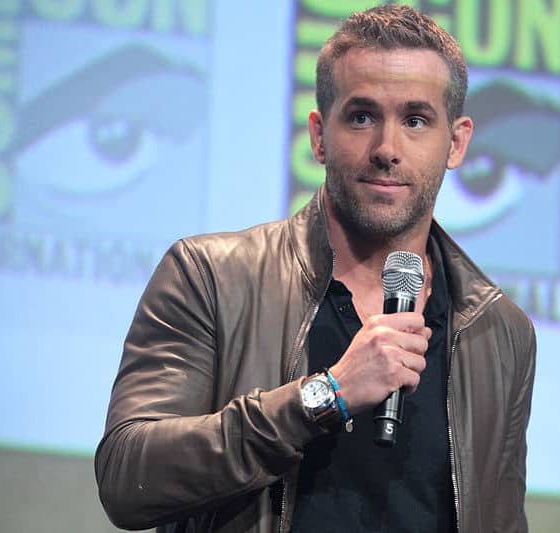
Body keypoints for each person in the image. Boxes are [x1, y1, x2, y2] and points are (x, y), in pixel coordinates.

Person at [95, 5, 536, 532]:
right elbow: (128, 477)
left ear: (457, 142)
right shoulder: (211, 277)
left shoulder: (499, 330)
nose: (387, 149)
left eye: (415, 120)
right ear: (319, 135)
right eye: (361, 116)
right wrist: (325, 396)